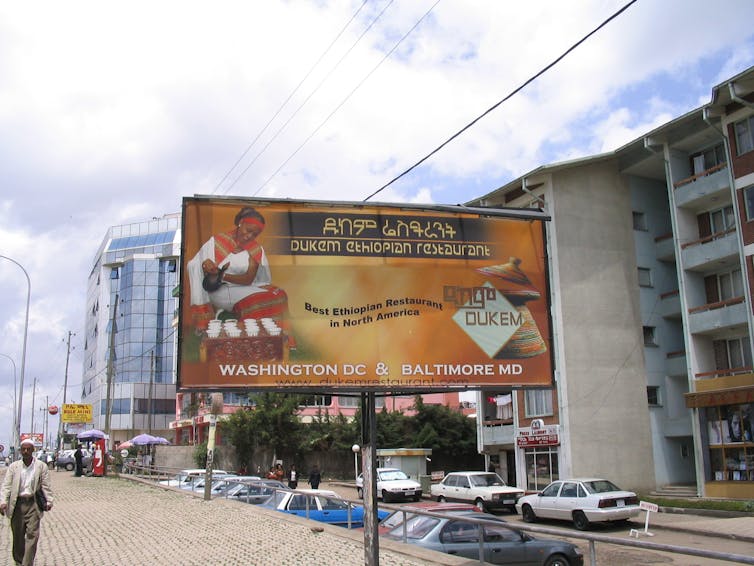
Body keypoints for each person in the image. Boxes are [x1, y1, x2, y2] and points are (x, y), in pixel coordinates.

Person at [186, 206, 290, 337]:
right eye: (248, 230)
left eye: (255, 234)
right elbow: (193, 264)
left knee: (279, 294)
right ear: (240, 223)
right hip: (219, 291)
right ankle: (249, 335)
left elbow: (249, 279)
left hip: (245, 287)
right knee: (256, 300)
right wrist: (204, 264)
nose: (249, 236)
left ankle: (278, 336)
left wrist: (223, 275)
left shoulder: (256, 250)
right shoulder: (217, 242)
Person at [0, 438, 53, 565]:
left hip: (33, 505)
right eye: (23, 449)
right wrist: (3, 502)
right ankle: (19, 561)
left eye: (28, 449)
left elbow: (46, 485)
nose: (26, 451)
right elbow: (6, 486)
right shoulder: (14, 467)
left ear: (33, 450)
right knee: (18, 537)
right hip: (17, 505)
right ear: (20, 451)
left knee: (32, 537)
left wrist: (49, 501)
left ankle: (27, 563)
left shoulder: (41, 466)